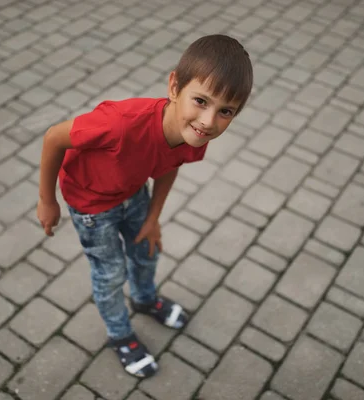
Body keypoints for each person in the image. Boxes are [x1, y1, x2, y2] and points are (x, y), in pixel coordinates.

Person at [36, 34, 253, 379]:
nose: (209, 121)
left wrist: (153, 217)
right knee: (110, 275)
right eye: (200, 101)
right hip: (91, 205)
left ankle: (144, 299)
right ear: (174, 86)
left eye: (225, 111)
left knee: (147, 251)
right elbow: (54, 137)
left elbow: (168, 167)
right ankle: (120, 335)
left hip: (132, 193)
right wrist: (47, 200)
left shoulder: (192, 134)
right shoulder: (119, 124)